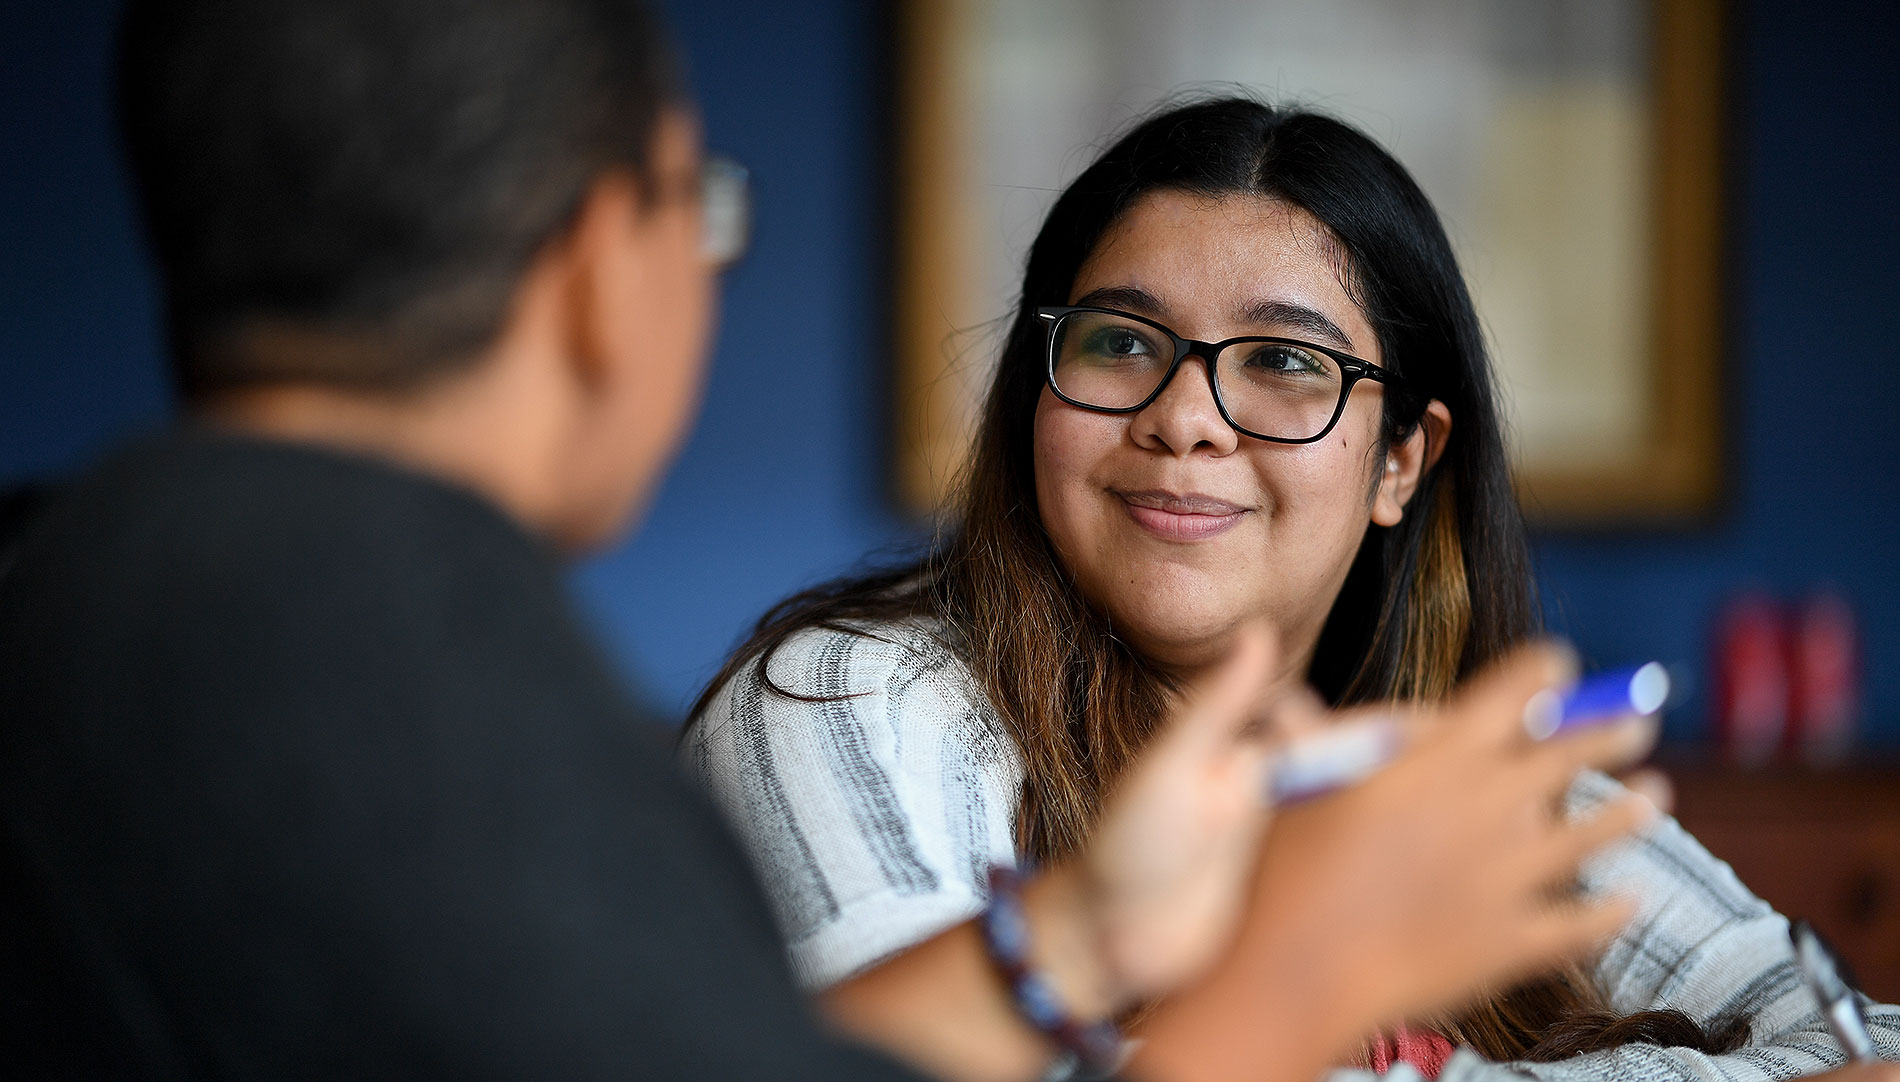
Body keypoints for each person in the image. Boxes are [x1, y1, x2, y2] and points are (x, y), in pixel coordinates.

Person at [0, 5, 1676, 1082]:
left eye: (1283, 368)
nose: (1189, 418)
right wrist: (1310, 966)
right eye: (698, 204)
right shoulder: (415, 698)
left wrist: (1067, 939)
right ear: (602, 265)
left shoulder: (123, 588)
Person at [685, 97, 1900, 1081]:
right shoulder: (835, 701)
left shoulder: (1449, 781)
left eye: (1280, 362)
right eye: (1117, 340)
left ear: (1400, 461)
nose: (1182, 418)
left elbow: (1864, 1038)